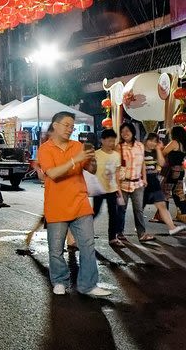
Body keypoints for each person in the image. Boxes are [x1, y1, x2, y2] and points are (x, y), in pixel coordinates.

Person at [38, 111, 111, 297]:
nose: (70, 129)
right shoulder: (45, 149)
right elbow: (53, 174)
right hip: (56, 206)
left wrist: (92, 160)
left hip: (80, 203)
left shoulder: (78, 145)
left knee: (88, 246)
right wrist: (75, 160)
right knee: (56, 249)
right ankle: (60, 280)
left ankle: (88, 284)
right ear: (55, 125)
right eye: (66, 125)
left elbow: (91, 170)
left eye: (72, 126)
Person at [116, 122, 154, 242]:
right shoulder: (119, 147)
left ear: (132, 132)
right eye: (122, 132)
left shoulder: (140, 146)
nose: (125, 133)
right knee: (122, 209)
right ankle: (120, 233)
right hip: (123, 184)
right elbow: (116, 168)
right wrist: (117, 186)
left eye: (127, 131)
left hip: (137, 183)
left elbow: (142, 162)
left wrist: (145, 178)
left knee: (138, 209)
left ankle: (142, 234)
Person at [143, 133, 185, 235]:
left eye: (155, 141)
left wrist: (158, 149)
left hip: (157, 179)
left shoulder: (157, 150)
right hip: (144, 181)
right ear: (146, 140)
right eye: (151, 140)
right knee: (140, 206)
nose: (153, 143)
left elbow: (162, 162)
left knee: (162, 202)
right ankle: (139, 228)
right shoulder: (140, 150)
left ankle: (172, 227)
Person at [92, 129, 124, 247]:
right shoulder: (96, 154)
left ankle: (112, 238)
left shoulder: (116, 156)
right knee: (95, 212)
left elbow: (117, 173)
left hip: (112, 189)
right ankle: (85, 234)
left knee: (113, 214)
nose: (112, 143)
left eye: (113, 141)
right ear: (102, 140)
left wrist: (118, 189)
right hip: (98, 189)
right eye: (109, 141)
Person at [160, 125, 186, 223]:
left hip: (172, 171)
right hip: (180, 170)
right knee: (178, 193)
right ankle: (183, 214)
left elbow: (164, 152)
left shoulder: (174, 142)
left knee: (165, 192)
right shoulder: (183, 144)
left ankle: (163, 216)